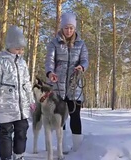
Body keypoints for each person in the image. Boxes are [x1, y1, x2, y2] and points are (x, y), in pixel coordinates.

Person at [0, 25, 35, 160]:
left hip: (21, 106)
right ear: (9, 46)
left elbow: (27, 83)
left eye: (22, 49)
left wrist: (31, 100)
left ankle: (19, 155)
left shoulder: (23, 63)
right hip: (5, 105)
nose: (20, 52)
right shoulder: (0, 60)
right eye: (17, 48)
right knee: (5, 133)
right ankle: (6, 157)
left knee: (22, 130)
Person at [45, 12, 89, 153]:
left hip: (74, 85)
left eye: (71, 27)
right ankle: (60, 147)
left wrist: (81, 67)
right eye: (66, 28)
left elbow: (85, 60)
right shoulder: (54, 43)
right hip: (58, 85)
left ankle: (78, 148)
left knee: (75, 116)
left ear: (74, 28)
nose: (69, 31)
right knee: (60, 118)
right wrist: (50, 73)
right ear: (62, 28)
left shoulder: (81, 44)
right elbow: (49, 62)